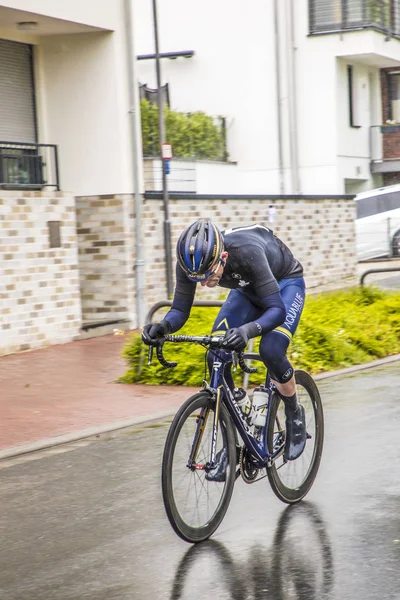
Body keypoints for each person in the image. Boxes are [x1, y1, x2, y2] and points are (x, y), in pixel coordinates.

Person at [142, 218, 307, 480]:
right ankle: (234, 439)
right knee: (215, 353)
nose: (205, 283)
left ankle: (294, 411)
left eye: (210, 275)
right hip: (245, 291)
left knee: (271, 348)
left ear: (224, 257)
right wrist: (162, 327)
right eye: (197, 279)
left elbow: (276, 311)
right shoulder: (190, 261)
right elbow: (180, 310)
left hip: (285, 285)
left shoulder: (247, 252)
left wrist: (247, 331)